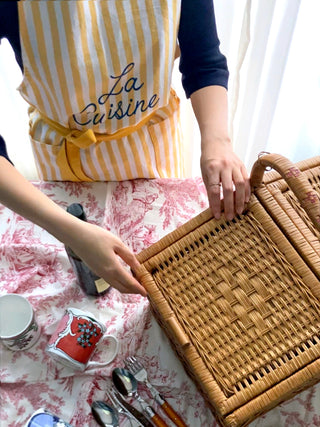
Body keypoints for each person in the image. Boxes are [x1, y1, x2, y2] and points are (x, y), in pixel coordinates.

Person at [0, 0, 250, 296]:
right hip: (67, 159)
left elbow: (203, 61)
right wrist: (70, 230)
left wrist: (217, 142)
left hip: (151, 147)